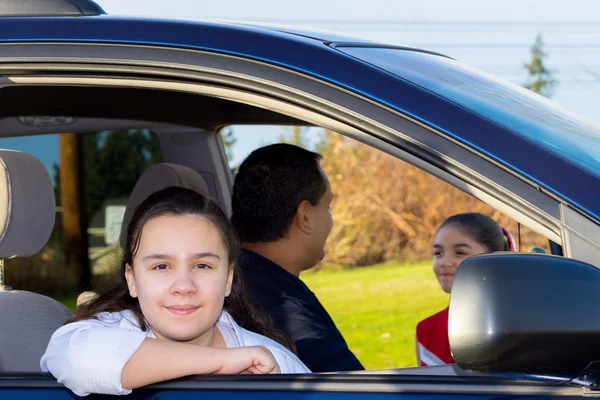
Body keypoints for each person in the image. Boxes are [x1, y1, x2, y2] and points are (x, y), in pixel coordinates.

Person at [41, 187, 309, 396]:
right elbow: (74, 356)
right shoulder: (102, 335)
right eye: (161, 266)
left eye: (202, 265)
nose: (183, 286)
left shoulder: (273, 362)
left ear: (228, 279)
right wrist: (219, 362)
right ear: (131, 279)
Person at [231, 143, 364, 372]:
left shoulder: (235, 276)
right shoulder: (289, 316)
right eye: (328, 206)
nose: (331, 218)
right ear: (304, 217)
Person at [415, 212, 515, 366]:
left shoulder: (519, 325)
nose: (444, 262)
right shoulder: (426, 331)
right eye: (438, 253)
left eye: (460, 252)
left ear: (496, 257)